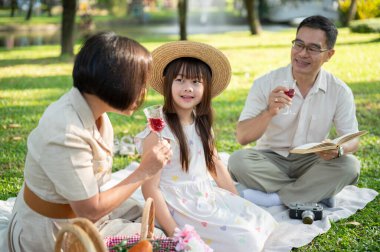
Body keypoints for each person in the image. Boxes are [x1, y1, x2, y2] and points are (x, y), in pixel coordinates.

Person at [7, 32, 172, 251]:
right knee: (158, 240)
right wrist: (144, 171)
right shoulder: (66, 133)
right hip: (57, 234)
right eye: (139, 83)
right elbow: (90, 210)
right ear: (114, 82)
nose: (143, 92)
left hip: (80, 211)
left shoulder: (94, 112)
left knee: (150, 213)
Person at [135, 41, 277, 251]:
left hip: (204, 195)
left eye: (196, 81)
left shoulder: (200, 121)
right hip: (179, 204)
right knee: (247, 240)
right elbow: (150, 188)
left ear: (206, 87)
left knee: (263, 220)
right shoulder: (158, 131)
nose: (188, 88)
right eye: (180, 80)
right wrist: (176, 233)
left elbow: (214, 163)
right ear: (167, 83)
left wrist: (235, 201)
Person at [228, 15, 361, 208]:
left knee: (350, 165)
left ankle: (277, 199)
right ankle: (315, 193)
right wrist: (269, 111)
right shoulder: (266, 83)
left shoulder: (339, 91)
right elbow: (242, 137)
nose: (302, 53)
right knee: (238, 161)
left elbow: (352, 139)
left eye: (313, 48)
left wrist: (338, 149)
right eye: (298, 44)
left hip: (313, 162)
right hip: (270, 160)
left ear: (329, 55)